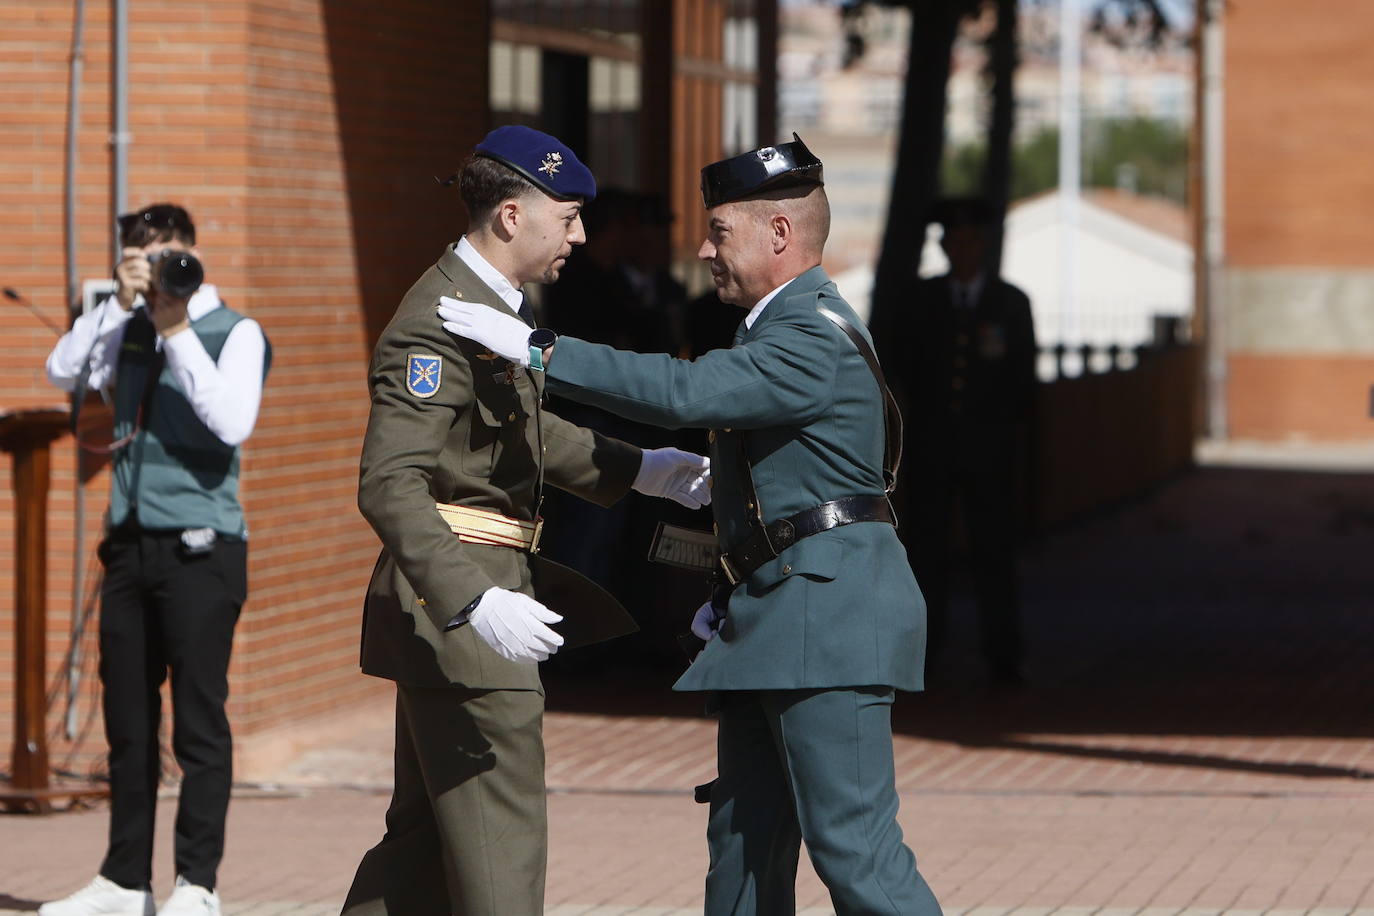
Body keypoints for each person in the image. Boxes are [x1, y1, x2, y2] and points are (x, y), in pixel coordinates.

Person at [441, 136, 942, 915]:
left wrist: (541, 350)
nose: (704, 249)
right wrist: (735, 578)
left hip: (829, 619)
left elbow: (683, 392)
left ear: (780, 235)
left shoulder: (810, 331)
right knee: (742, 851)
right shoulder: (777, 329)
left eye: (721, 232)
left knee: (856, 854)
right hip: (779, 613)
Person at [341, 125, 710, 916]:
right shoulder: (437, 322)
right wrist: (473, 600)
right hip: (464, 604)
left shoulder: (486, 308)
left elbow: (528, 434)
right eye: (568, 215)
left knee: (426, 843)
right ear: (511, 216)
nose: (580, 234)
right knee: (500, 842)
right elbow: (389, 484)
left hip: (467, 597)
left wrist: (643, 469)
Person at [41, 204, 271, 916]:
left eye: (170, 253)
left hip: (203, 550)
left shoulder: (235, 331)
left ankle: (196, 885)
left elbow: (233, 422)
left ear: (193, 253)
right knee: (128, 724)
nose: (161, 264)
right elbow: (62, 371)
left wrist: (175, 328)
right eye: (144, 254)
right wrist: (119, 303)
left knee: (199, 724)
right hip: (130, 547)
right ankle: (123, 879)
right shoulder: (128, 324)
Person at [893, 197, 1037, 685]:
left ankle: (1003, 653)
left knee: (993, 553)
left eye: (971, 240)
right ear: (944, 246)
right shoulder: (923, 301)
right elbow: (904, 376)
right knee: (926, 555)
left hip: (989, 453)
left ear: (984, 245)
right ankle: (924, 655)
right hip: (932, 451)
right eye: (953, 241)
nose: (962, 249)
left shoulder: (1010, 304)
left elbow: (1022, 385)